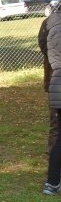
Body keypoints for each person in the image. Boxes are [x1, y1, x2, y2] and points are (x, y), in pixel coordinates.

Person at [39, 13, 59, 156]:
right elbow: (44, 46)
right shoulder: (49, 23)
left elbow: (43, 45)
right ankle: (53, 154)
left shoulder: (48, 22)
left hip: (54, 78)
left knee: (56, 122)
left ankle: (53, 153)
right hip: (55, 78)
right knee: (56, 121)